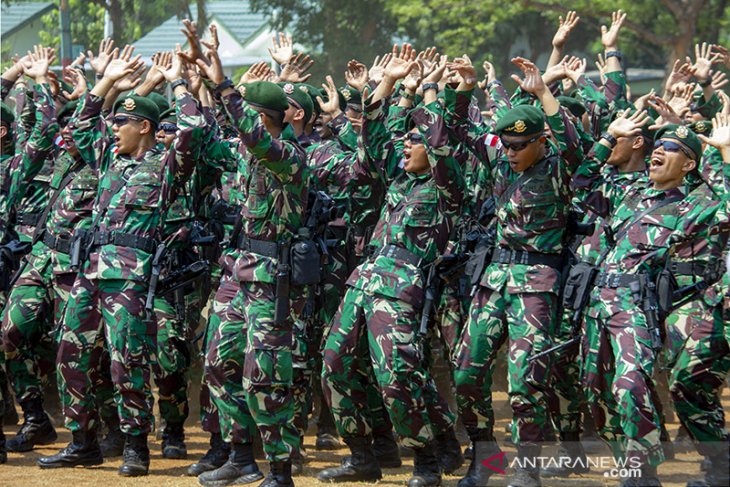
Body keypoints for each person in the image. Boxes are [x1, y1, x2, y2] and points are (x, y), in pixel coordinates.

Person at [38, 45, 207, 476]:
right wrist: (106, 82)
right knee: (70, 354)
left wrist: (178, 82)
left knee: (125, 360)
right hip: (91, 271)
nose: (113, 129)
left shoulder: (167, 165)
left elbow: (192, 130)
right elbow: (79, 125)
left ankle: (135, 445)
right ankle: (82, 441)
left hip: (131, 278)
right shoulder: (107, 160)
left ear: (145, 127)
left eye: (122, 122)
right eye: (113, 122)